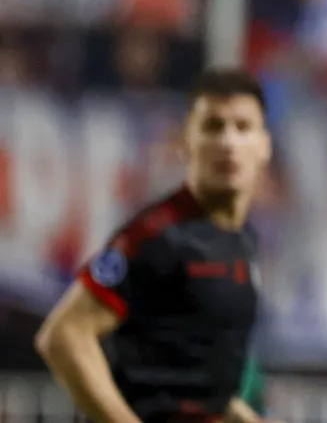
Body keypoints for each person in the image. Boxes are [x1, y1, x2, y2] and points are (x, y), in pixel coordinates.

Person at [35, 68, 282, 423]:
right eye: (213, 127)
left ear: (264, 146)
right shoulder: (157, 236)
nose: (228, 142)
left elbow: (198, 393)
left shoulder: (241, 242)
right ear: (185, 141)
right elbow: (64, 335)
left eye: (242, 128)